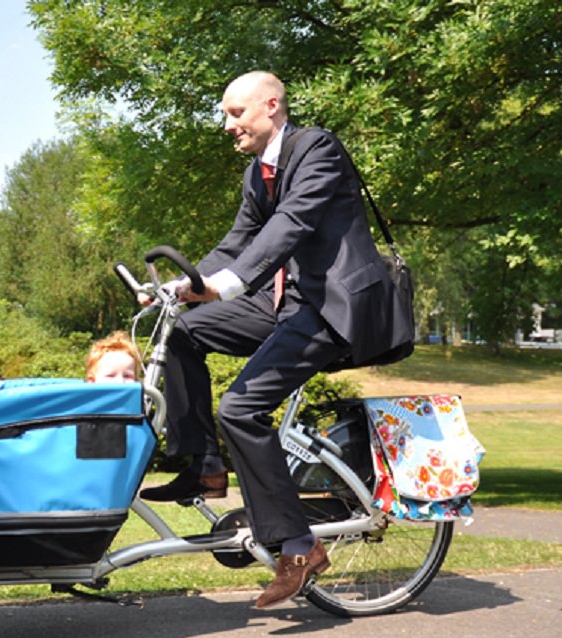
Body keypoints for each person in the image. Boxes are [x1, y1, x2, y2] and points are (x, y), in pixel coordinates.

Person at [139, 71, 413, 608]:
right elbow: (237, 242)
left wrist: (227, 285)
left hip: (332, 310)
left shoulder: (318, 149)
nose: (227, 125)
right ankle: (204, 466)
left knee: (241, 409)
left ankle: (298, 546)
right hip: (285, 308)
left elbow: (291, 224)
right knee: (184, 332)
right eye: (225, 115)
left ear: (271, 106)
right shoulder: (256, 174)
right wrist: (184, 286)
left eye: (235, 113)